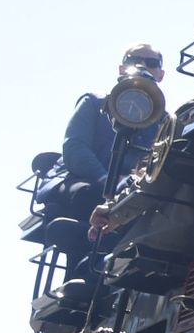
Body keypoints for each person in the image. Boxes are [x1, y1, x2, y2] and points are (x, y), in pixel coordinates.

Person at [56, 45, 166, 245]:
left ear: (161, 74)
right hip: (87, 181)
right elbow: (75, 148)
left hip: (134, 188)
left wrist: (129, 186)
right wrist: (107, 181)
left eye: (151, 63)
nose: (142, 65)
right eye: (134, 59)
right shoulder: (93, 102)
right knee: (87, 195)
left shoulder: (166, 121)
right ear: (121, 68)